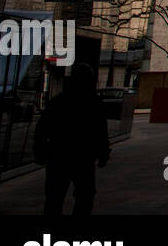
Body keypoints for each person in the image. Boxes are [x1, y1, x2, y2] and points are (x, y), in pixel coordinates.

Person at [34, 64, 111, 215]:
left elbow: (42, 130)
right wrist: (103, 154)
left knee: (54, 198)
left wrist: (40, 151)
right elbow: (101, 133)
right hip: (83, 157)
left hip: (59, 155)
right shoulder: (94, 103)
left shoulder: (58, 102)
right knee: (84, 196)